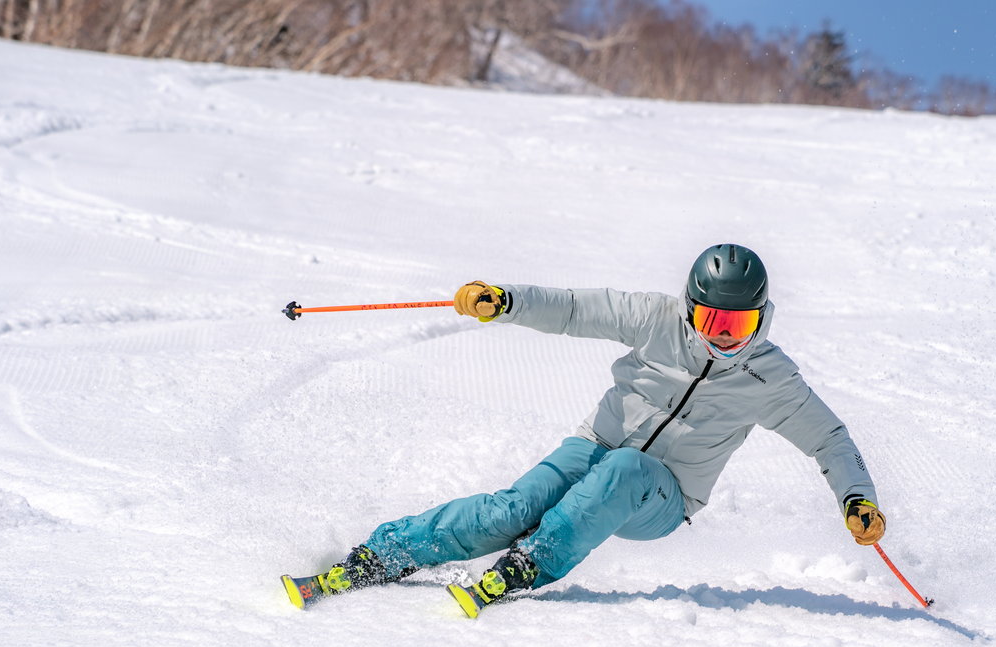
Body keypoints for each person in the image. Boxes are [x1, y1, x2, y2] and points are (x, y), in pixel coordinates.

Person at [308, 244, 885, 618]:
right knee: (511, 510)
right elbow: (575, 309)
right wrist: (504, 302)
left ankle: (532, 562)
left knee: (626, 470)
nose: (725, 336)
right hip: (595, 445)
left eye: (740, 323)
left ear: (764, 316)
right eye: (712, 320)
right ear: (690, 308)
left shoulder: (771, 378)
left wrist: (858, 499)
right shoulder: (654, 318)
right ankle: (381, 554)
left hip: (662, 498)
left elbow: (830, 441)